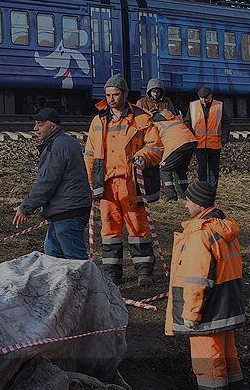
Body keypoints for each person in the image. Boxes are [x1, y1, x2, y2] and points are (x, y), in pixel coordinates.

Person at [165, 181, 247, 390]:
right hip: (226, 308)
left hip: (206, 314)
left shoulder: (200, 234)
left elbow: (196, 279)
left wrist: (191, 315)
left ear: (199, 204)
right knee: (229, 362)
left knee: (208, 365)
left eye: (188, 200)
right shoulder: (224, 230)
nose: (185, 203)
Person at [85, 74, 164, 287]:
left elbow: (156, 147)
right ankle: (112, 274)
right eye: (108, 95)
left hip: (131, 184)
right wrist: (93, 184)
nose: (111, 99)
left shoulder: (142, 119)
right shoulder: (98, 120)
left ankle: (144, 272)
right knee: (110, 231)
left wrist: (143, 157)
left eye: (115, 94)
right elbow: (90, 155)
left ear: (125, 94)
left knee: (138, 228)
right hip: (108, 185)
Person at [14, 107, 92, 260]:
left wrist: (26, 207)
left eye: (40, 124)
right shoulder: (64, 142)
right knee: (52, 253)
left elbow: (47, 182)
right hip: (66, 210)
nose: (35, 129)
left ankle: (85, 284)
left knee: (75, 260)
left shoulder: (57, 146)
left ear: (53, 126)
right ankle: (64, 284)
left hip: (68, 211)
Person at [137, 79, 198, 201]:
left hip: (171, 141)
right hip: (188, 140)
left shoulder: (166, 103)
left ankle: (170, 196)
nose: (155, 94)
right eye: (153, 92)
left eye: (157, 92)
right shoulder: (142, 102)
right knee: (180, 169)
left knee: (165, 168)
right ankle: (185, 194)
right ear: (149, 92)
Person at [188, 87, 228, 190]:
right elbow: (187, 122)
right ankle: (202, 191)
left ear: (211, 96)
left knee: (213, 170)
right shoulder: (193, 106)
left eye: (205, 98)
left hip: (215, 144)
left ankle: (212, 191)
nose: (203, 100)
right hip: (199, 144)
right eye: (201, 98)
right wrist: (192, 137)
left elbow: (226, 123)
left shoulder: (219, 106)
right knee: (202, 169)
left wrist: (225, 137)